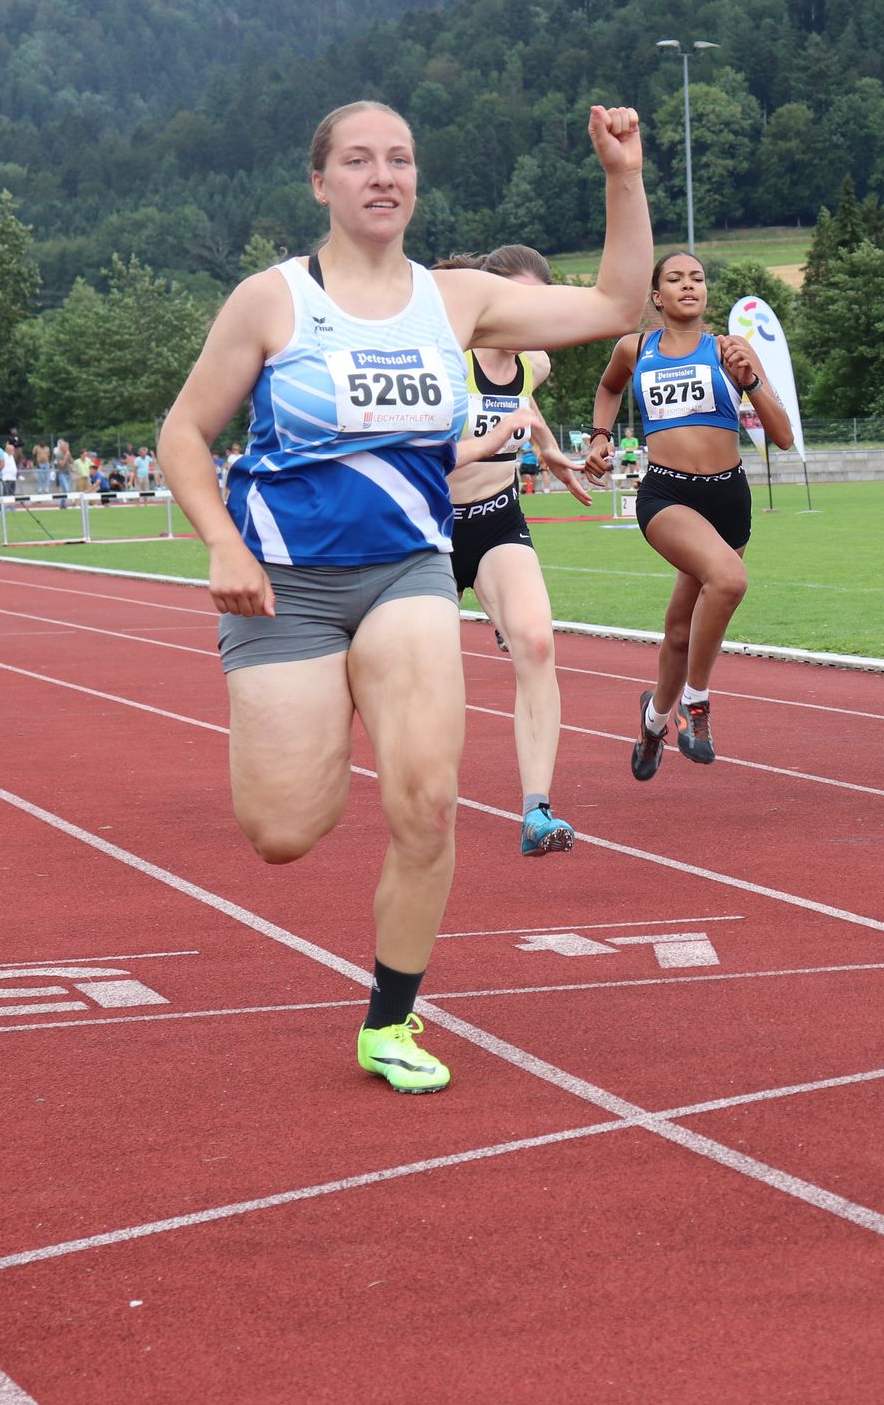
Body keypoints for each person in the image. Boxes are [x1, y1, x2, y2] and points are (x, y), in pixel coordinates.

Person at [156, 99, 651, 1095]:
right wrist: (221, 545)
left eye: (401, 160)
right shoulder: (271, 301)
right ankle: (318, 711)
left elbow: (615, 308)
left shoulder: (456, 300)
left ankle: (390, 1017)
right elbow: (182, 436)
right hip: (284, 587)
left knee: (427, 800)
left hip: (409, 571)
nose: (383, 176)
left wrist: (623, 174)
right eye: (359, 160)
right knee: (285, 831)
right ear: (320, 182)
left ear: (416, 181)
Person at [586, 250, 792, 782]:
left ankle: (653, 720)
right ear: (657, 296)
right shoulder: (634, 348)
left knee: (680, 630)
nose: (688, 285)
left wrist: (747, 382)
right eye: (674, 279)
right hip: (667, 495)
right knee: (727, 579)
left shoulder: (729, 350)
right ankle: (694, 707)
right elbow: (609, 387)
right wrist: (601, 436)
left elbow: (784, 436)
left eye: (697, 278)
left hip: (728, 500)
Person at [434, 245, 597, 858]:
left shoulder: (534, 362)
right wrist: (500, 438)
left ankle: (537, 812)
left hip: (497, 517)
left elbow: (523, 403)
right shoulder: (446, 360)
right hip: (428, 529)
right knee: (428, 673)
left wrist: (549, 448)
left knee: (536, 641)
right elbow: (429, 455)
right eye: (519, 302)